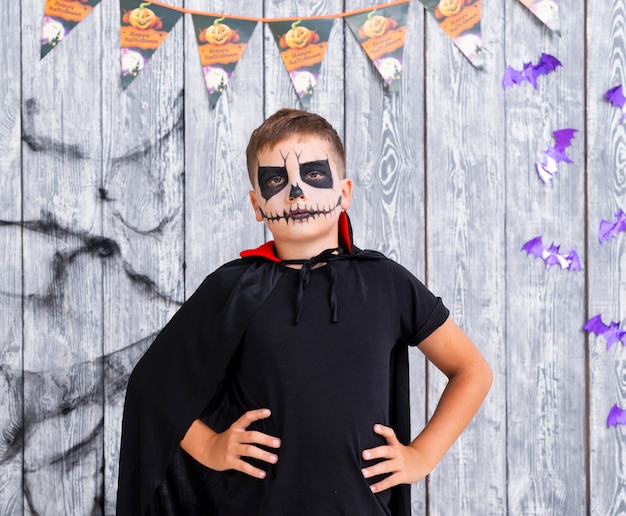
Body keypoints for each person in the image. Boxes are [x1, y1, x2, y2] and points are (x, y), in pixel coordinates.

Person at [116, 108, 493, 516]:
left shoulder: (387, 283)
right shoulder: (233, 289)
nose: (296, 193)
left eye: (313, 175)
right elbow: (152, 386)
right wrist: (209, 445)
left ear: (344, 192)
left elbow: (471, 370)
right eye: (275, 180)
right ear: (257, 204)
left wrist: (423, 455)